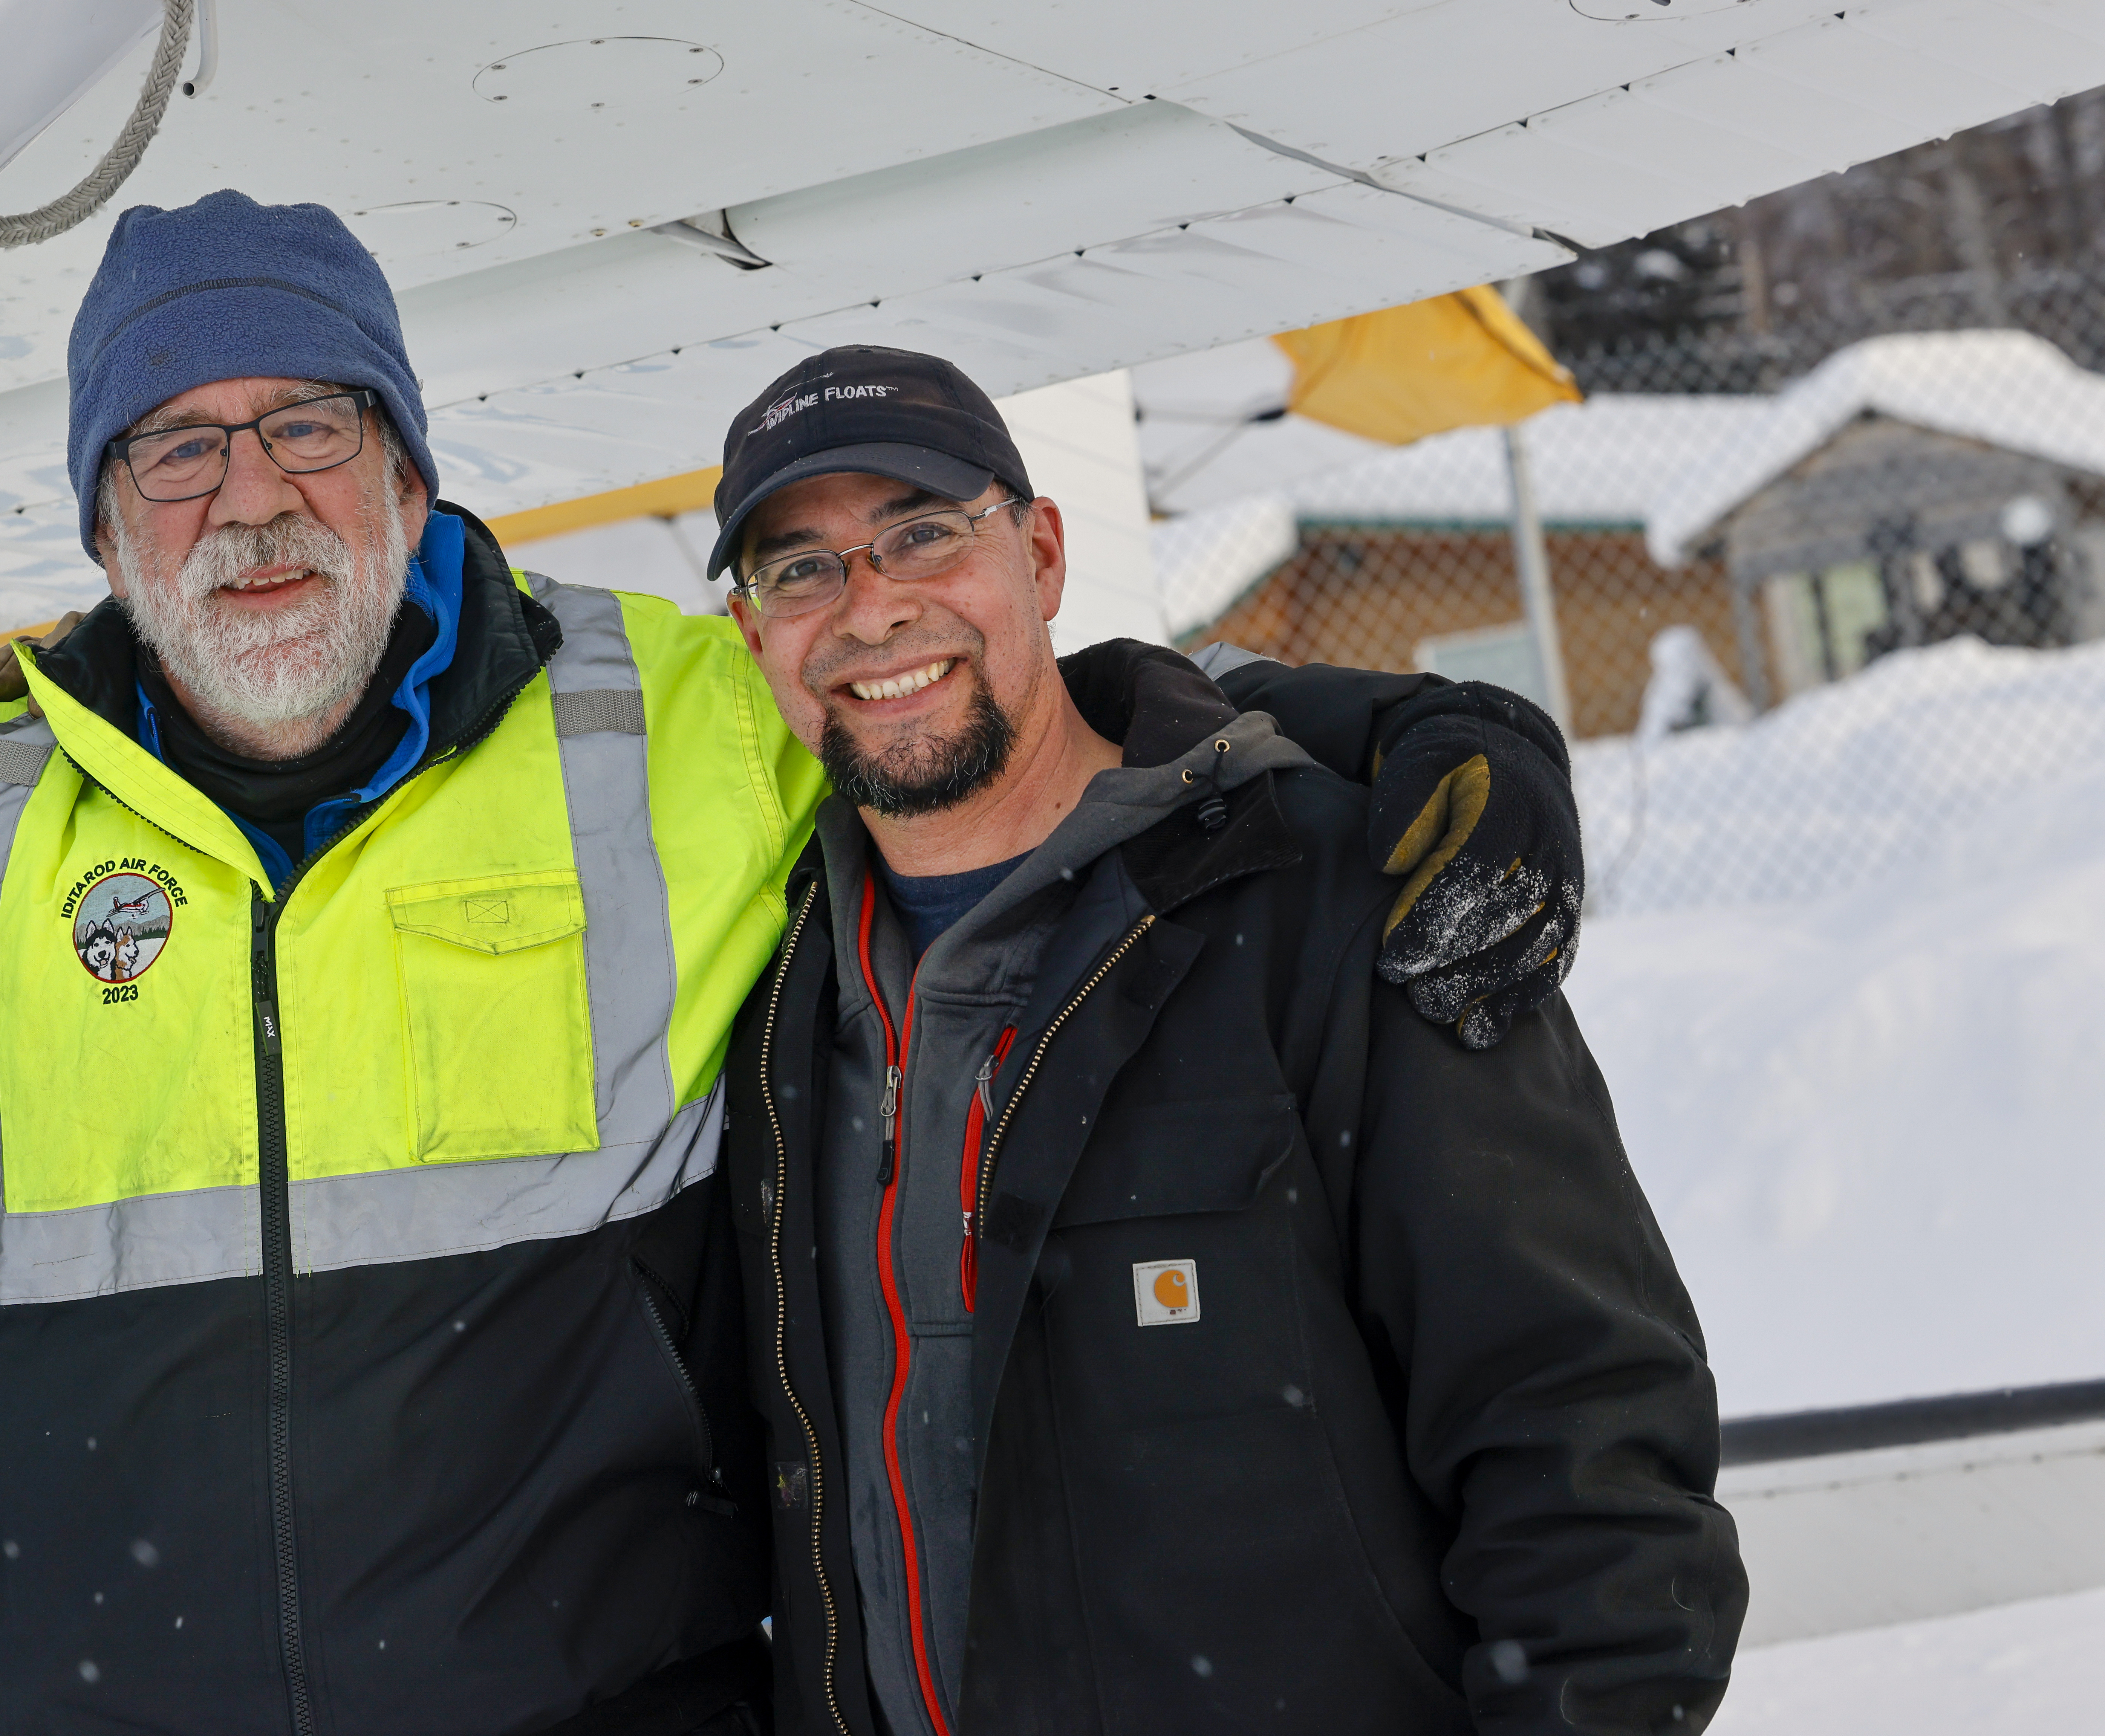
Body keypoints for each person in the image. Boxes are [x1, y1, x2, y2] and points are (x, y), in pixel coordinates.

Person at [0, 191, 1590, 1735]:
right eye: (182, 448)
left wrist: (1394, 734)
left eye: (312, 427)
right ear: (99, 525)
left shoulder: (667, 731)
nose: (255, 498)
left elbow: (963, 700)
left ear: (417, 480)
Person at [702, 347, 1746, 1736]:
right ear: (753, 632)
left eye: (923, 532)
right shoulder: (771, 994)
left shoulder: (1329, 902)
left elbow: (1584, 1443)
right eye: (801, 568)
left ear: (1044, 552)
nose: (872, 606)